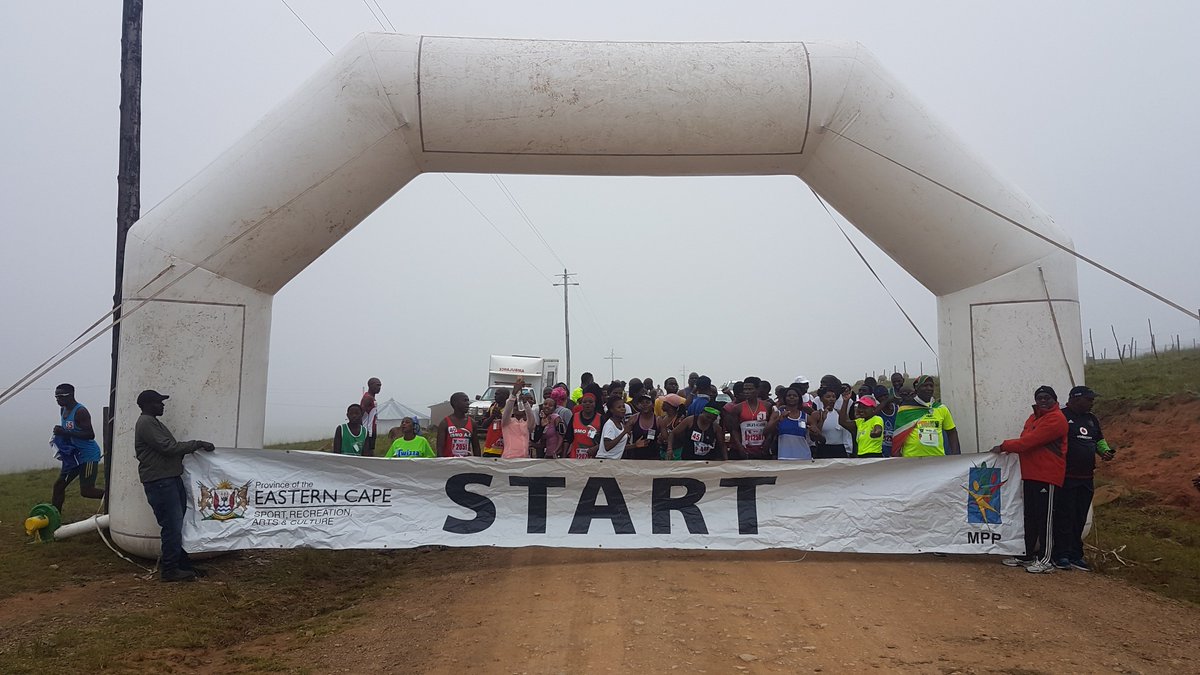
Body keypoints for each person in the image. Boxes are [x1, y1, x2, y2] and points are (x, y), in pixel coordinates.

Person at [133, 390, 215, 582]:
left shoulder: (152, 422)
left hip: (168, 479)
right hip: (161, 481)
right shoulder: (146, 423)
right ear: (147, 404)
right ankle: (170, 569)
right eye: (158, 402)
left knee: (178, 524)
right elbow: (168, 448)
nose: (162, 405)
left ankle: (182, 565)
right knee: (172, 525)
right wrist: (197, 444)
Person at [991, 385, 1068, 574]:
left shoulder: (1057, 419)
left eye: (1047, 397)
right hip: (1030, 474)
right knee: (1030, 517)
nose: (1043, 401)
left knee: (1045, 519)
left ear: (1055, 399)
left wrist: (1004, 446)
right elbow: (1025, 440)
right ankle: (1027, 554)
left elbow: (1028, 442)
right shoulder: (1033, 418)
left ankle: (1046, 559)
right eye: (1039, 398)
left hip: (1047, 475)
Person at [1051, 386, 1114, 571]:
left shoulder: (1091, 419)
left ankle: (1075, 554)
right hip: (1066, 477)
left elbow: (1099, 440)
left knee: (1079, 516)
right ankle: (1060, 554)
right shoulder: (1061, 416)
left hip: (1086, 477)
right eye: (1089, 399)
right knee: (1065, 516)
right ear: (1075, 399)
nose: (1092, 403)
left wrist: (1105, 451)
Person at [50, 384, 105, 512]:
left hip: (88, 455)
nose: (57, 399)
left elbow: (90, 434)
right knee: (59, 486)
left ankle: (112, 497)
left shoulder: (81, 412)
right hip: (74, 456)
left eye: (60, 396)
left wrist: (65, 432)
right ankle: (55, 517)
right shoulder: (63, 410)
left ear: (71, 395)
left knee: (87, 491)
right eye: (56, 396)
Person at [892, 375, 960, 457]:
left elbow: (952, 432)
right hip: (911, 459)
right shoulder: (905, 410)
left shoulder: (941, 408)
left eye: (931, 386)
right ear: (917, 388)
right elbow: (898, 435)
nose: (929, 388)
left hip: (937, 458)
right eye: (925, 385)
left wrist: (955, 454)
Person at [729, 377, 771, 460]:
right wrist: (740, 447)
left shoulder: (767, 406)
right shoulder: (737, 408)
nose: (747, 392)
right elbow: (734, 430)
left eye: (750, 389)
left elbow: (771, 428)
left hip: (762, 450)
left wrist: (767, 445)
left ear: (757, 390)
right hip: (745, 450)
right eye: (745, 389)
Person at [768, 385, 812, 460]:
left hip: (804, 457)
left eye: (795, 396)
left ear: (799, 398)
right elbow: (766, 431)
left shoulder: (806, 417)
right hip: (784, 456)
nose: (792, 397)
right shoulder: (777, 414)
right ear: (785, 398)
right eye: (789, 395)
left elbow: (816, 437)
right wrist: (778, 419)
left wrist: (815, 431)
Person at [809, 387, 853, 459]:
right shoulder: (817, 414)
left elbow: (848, 431)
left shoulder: (839, 413)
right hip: (824, 450)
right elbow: (813, 437)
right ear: (821, 399)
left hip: (840, 449)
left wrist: (848, 449)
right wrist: (822, 420)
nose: (831, 399)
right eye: (828, 397)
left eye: (833, 397)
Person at [838, 392, 884, 458]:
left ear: (873, 409)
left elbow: (878, 429)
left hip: (873, 456)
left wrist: (876, 432)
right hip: (861, 456)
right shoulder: (859, 422)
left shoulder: (876, 419)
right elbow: (842, 422)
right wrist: (845, 401)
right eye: (859, 407)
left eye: (865, 407)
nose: (861, 410)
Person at [501, 378, 534, 458]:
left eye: (518, 405)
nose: (517, 408)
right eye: (514, 406)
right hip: (509, 459)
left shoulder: (526, 424)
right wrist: (513, 395)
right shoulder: (507, 423)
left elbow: (531, 418)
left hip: (524, 460)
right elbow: (507, 412)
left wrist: (525, 403)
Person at [437, 392, 478, 458]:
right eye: (465, 400)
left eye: (468, 401)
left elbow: (476, 447)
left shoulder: (472, 423)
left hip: (465, 462)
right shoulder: (445, 423)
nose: (468, 403)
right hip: (449, 462)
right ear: (455, 403)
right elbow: (439, 448)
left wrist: (478, 462)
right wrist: (441, 462)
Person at [624, 392, 661, 460]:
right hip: (636, 458)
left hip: (654, 458)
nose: (644, 405)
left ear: (653, 405)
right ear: (638, 405)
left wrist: (661, 439)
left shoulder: (658, 420)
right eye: (642, 403)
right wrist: (634, 445)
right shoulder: (633, 419)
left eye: (647, 402)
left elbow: (665, 439)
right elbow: (624, 437)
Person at [568, 392, 604, 459]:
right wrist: (564, 456)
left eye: (591, 402)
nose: (587, 404)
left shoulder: (600, 418)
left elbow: (605, 441)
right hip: (575, 457)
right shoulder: (575, 417)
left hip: (593, 458)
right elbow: (568, 438)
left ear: (595, 404)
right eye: (584, 402)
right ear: (581, 404)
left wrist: (596, 448)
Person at [656, 393, 687, 460]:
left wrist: (664, 434)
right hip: (663, 451)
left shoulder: (679, 420)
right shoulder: (663, 417)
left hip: (676, 453)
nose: (662, 404)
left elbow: (680, 439)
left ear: (670, 405)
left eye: (664, 402)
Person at [480, 387, 510, 457]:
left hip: (504, 448)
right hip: (489, 447)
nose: (495, 396)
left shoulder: (509, 408)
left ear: (506, 396)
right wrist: (493, 416)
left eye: (498, 394)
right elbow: (484, 425)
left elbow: (511, 425)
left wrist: (500, 416)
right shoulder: (493, 406)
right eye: (495, 394)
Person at [360, 377, 382, 456]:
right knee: (367, 455)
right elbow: (360, 414)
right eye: (377, 385)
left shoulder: (372, 398)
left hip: (372, 431)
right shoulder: (367, 398)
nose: (379, 388)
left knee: (371, 453)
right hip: (367, 432)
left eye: (380, 385)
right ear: (370, 385)